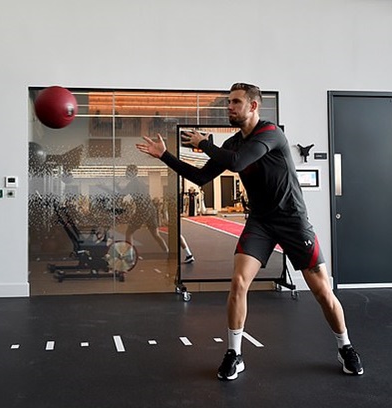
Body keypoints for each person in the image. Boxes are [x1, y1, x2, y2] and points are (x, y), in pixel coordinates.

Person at [136, 82, 363, 380]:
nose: (229, 107)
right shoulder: (232, 143)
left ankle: (345, 347)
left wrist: (205, 143)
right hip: (260, 222)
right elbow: (201, 176)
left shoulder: (270, 134)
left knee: (321, 290)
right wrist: (165, 155)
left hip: (293, 220)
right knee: (239, 283)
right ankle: (235, 353)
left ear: (253, 106)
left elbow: (239, 162)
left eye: (235, 103)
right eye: (228, 103)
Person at [123, 165, 170, 253]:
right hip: (151, 209)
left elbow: (121, 194)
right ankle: (167, 251)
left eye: (127, 171)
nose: (126, 173)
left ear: (132, 173)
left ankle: (129, 255)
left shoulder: (132, 183)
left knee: (129, 232)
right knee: (156, 234)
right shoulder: (141, 182)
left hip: (142, 210)